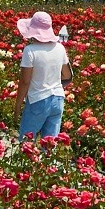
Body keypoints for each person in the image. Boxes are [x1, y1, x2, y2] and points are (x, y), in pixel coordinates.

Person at [17, 10, 71, 145]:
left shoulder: (30, 51)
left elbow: (25, 82)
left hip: (38, 100)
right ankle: (46, 166)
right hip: (58, 99)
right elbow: (67, 75)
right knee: (49, 146)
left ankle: (28, 167)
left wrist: (17, 106)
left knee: (26, 144)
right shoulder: (59, 48)